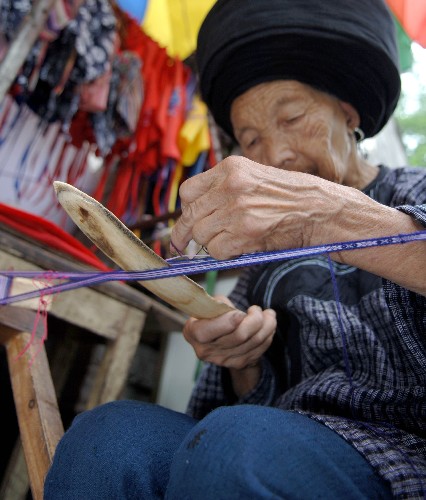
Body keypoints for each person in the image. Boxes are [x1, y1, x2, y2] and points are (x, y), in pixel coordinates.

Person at [44, 0, 426, 498]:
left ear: (348, 112)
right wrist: (243, 360)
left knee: (236, 446)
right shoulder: (261, 248)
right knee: (107, 439)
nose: (276, 155)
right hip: (274, 434)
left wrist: (326, 216)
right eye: (251, 140)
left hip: (400, 451)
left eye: (292, 117)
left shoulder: (414, 189)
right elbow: (243, 405)